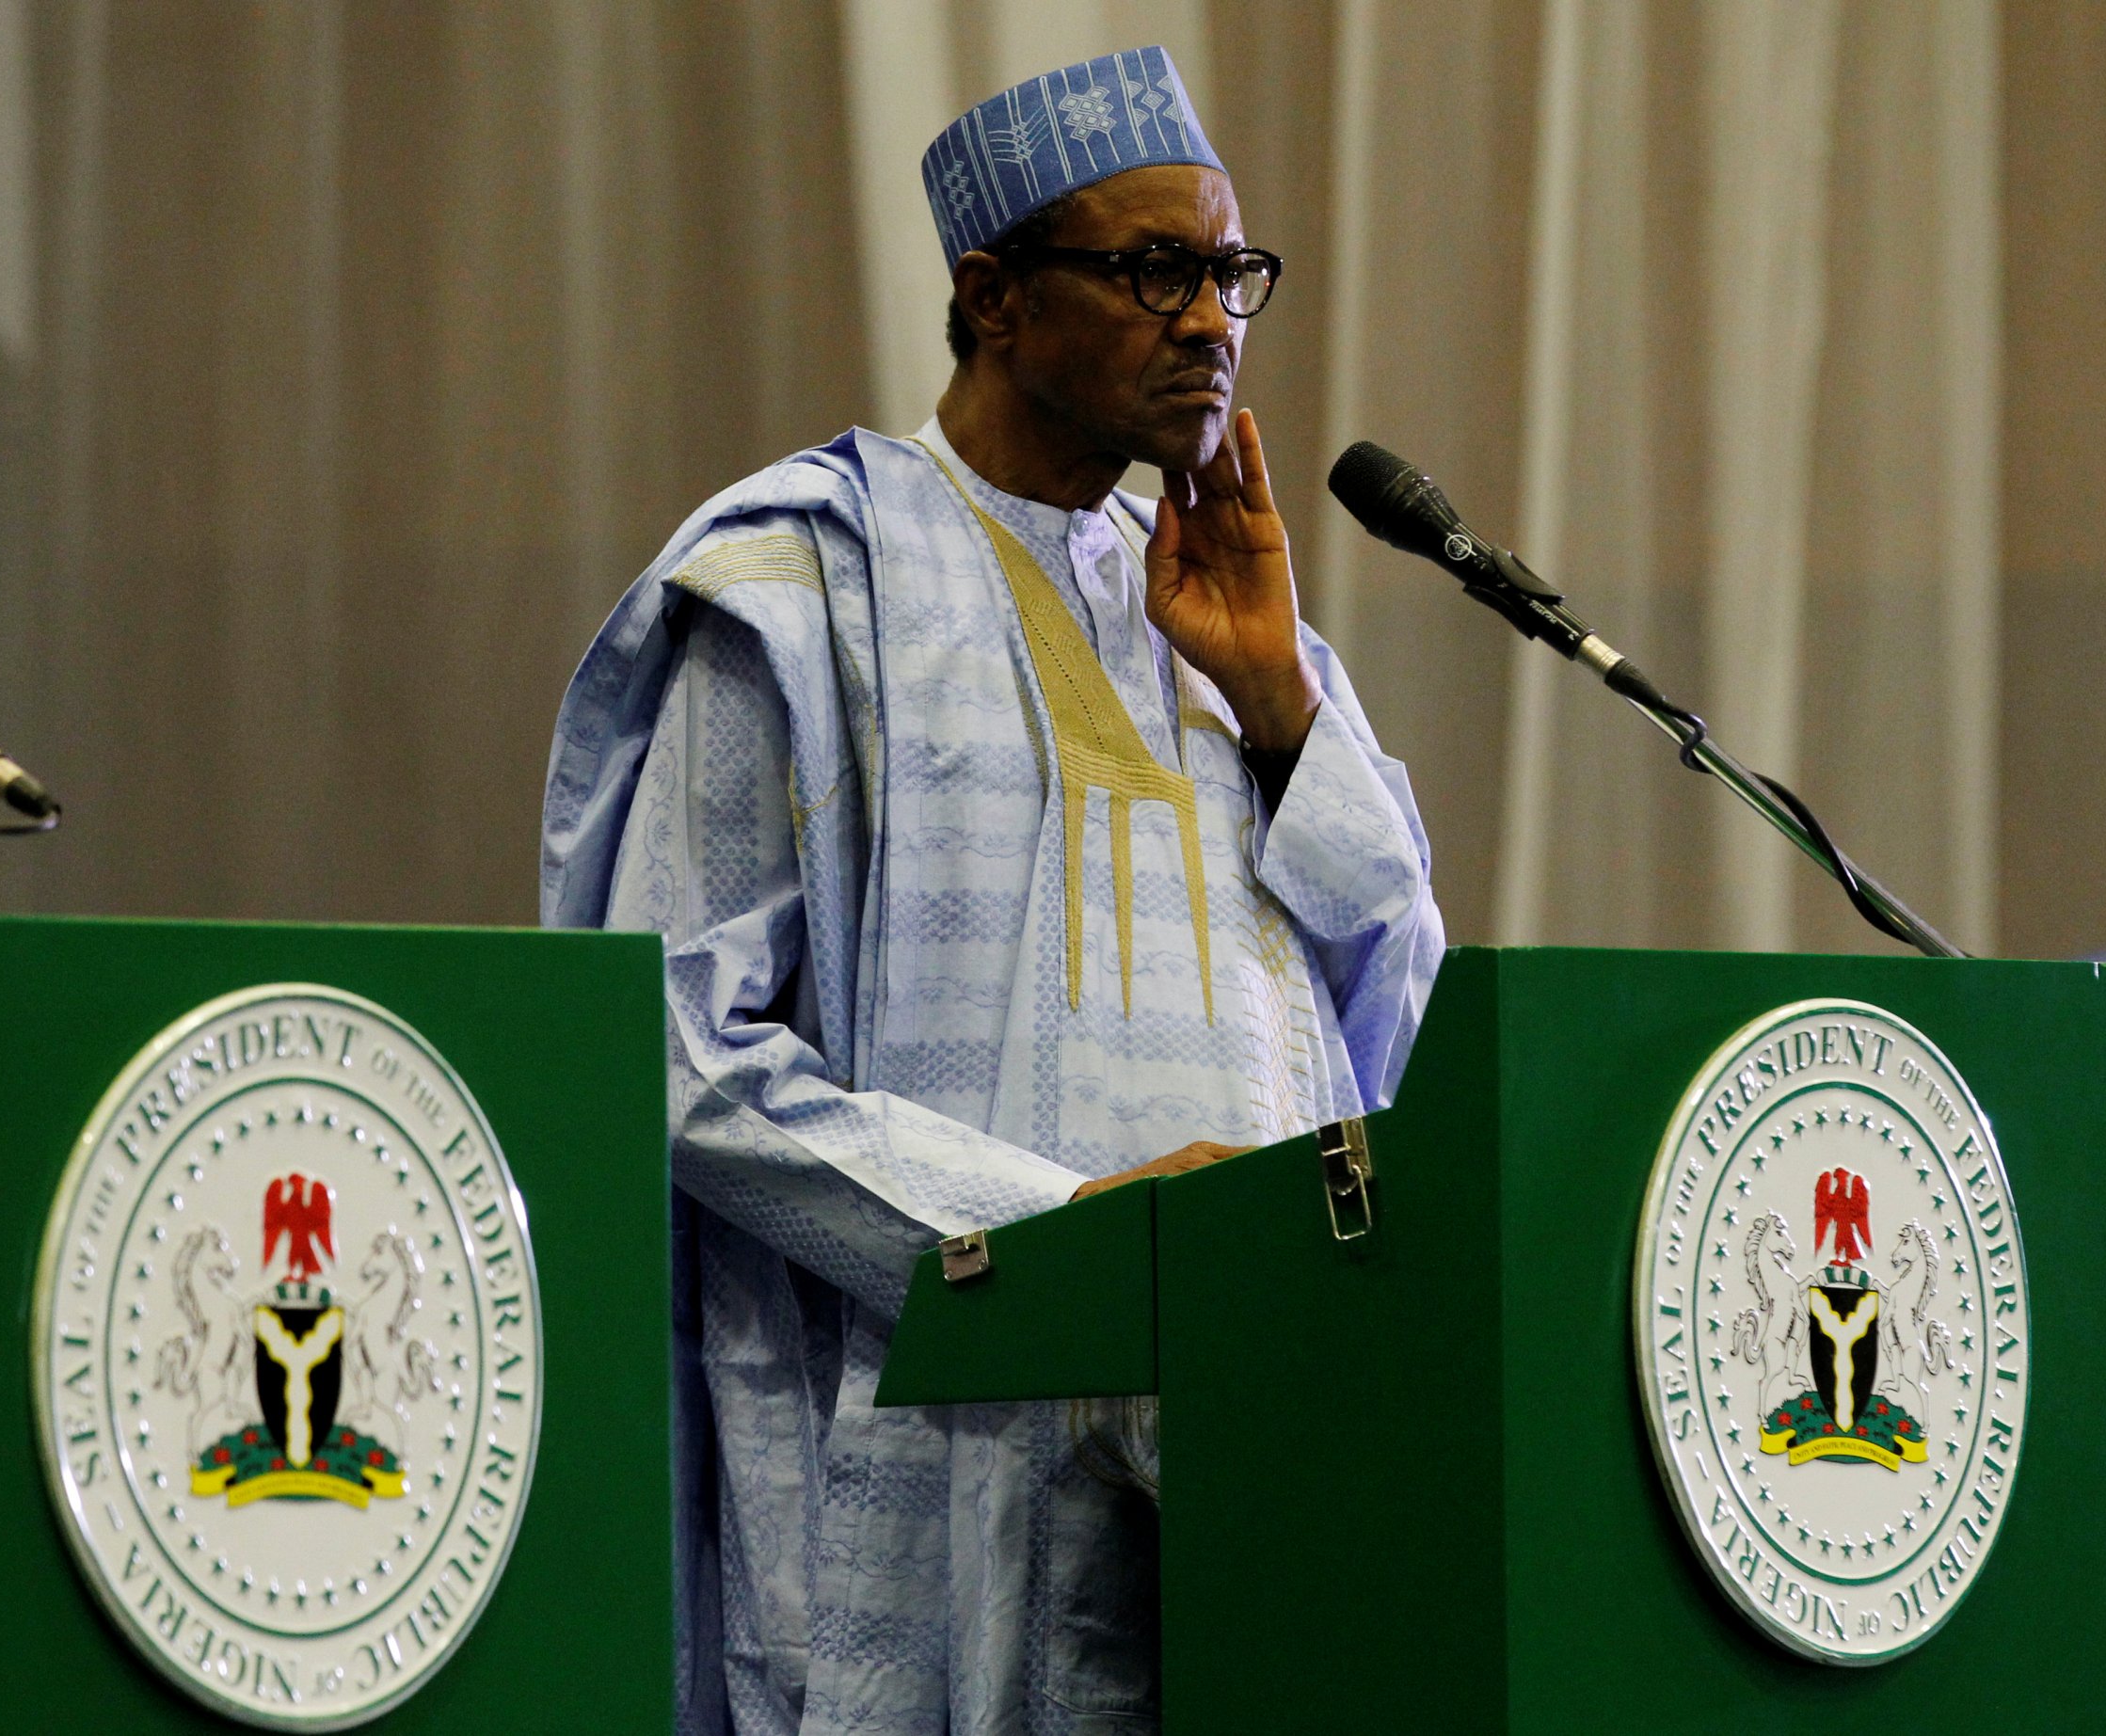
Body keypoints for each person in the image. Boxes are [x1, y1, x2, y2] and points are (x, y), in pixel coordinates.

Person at [543, 46, 1443, 1736]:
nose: (1211, 322)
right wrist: (1077, 1243)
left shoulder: (1240, 618)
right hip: (948, 1447)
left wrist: (1280, 710)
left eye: (1230, 274)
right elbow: (672, 1052)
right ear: (995, 298)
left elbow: (1401, 1021)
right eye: (1154, 268)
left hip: (1251, 1445)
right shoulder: (800, 585)